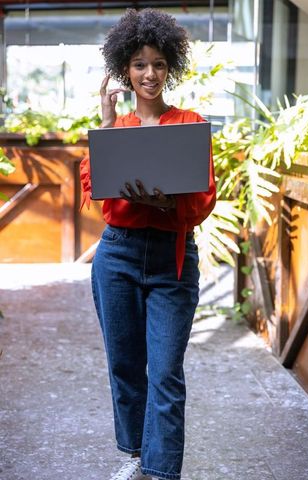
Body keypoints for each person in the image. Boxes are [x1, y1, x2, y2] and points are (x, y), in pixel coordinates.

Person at [80, 8, 216, 480]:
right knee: (125, 365)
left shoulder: (189, 122)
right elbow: (97, 193)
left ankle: (162, 472)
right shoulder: (112, 128)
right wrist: (105, 121)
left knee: (165, 373)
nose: (149, 73)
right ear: (125, 69)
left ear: (169, 67)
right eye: (139, 64)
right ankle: (138, 455)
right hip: (116, 254)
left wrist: (165, 205)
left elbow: (203, 199)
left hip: (172, 259)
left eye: (158, 63)